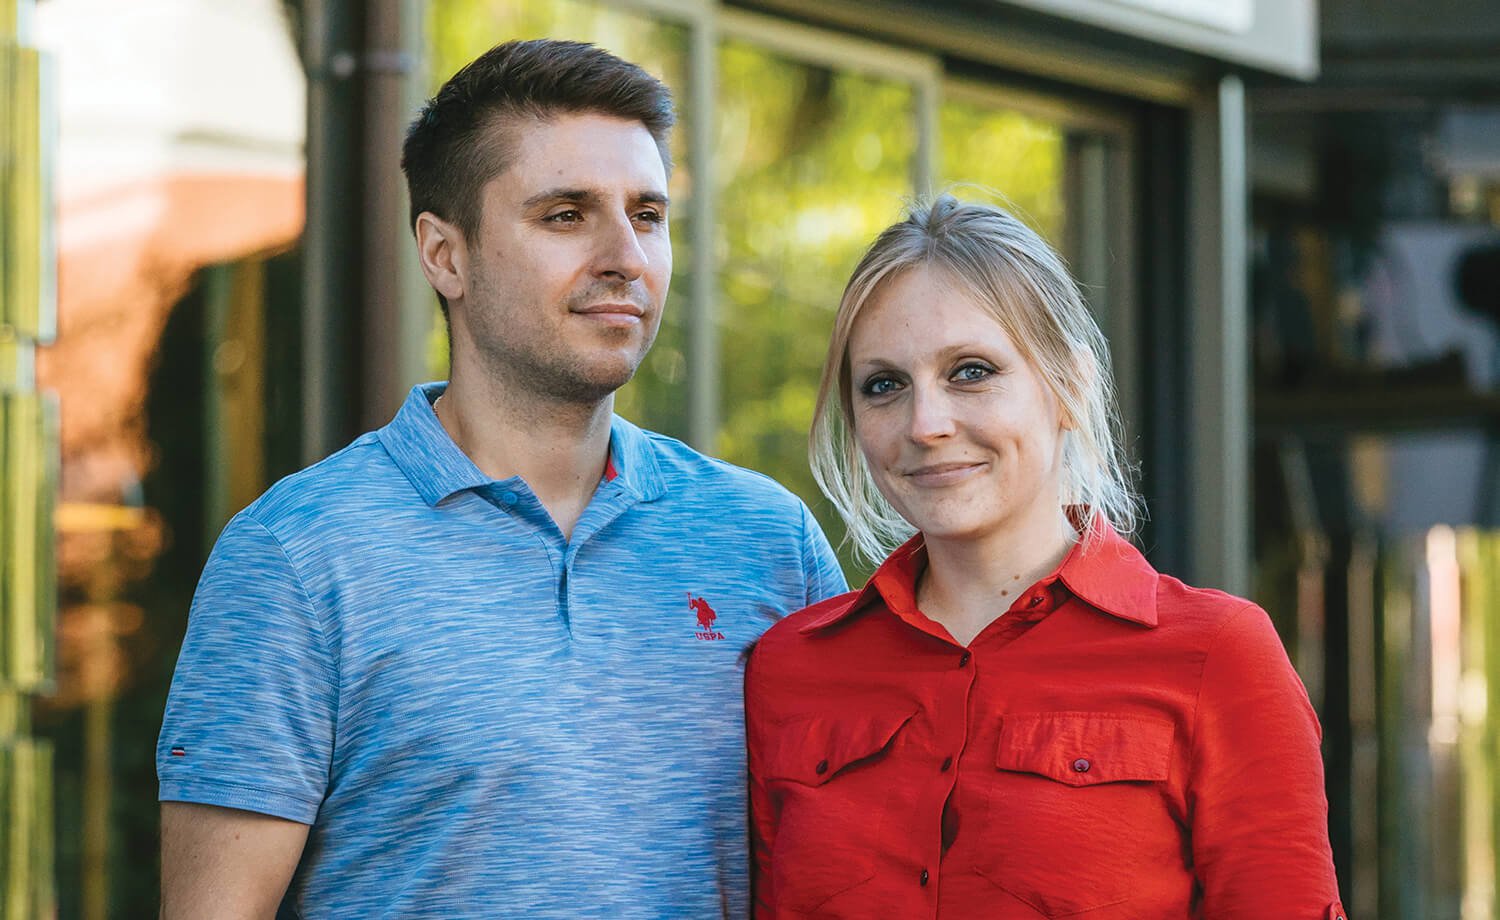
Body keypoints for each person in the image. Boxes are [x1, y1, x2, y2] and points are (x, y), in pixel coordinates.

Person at [157, 39, 846, 918]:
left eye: (646, 214)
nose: (625, 255)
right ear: (445, 255)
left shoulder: (767, 540)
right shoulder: (298, 556)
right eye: (566, 215)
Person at [746, 196, 1347, 919]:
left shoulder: (1218, 656)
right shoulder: (790, 669)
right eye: (884, 385)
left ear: (1070, 386)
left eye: (971, 371)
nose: (926, 423)